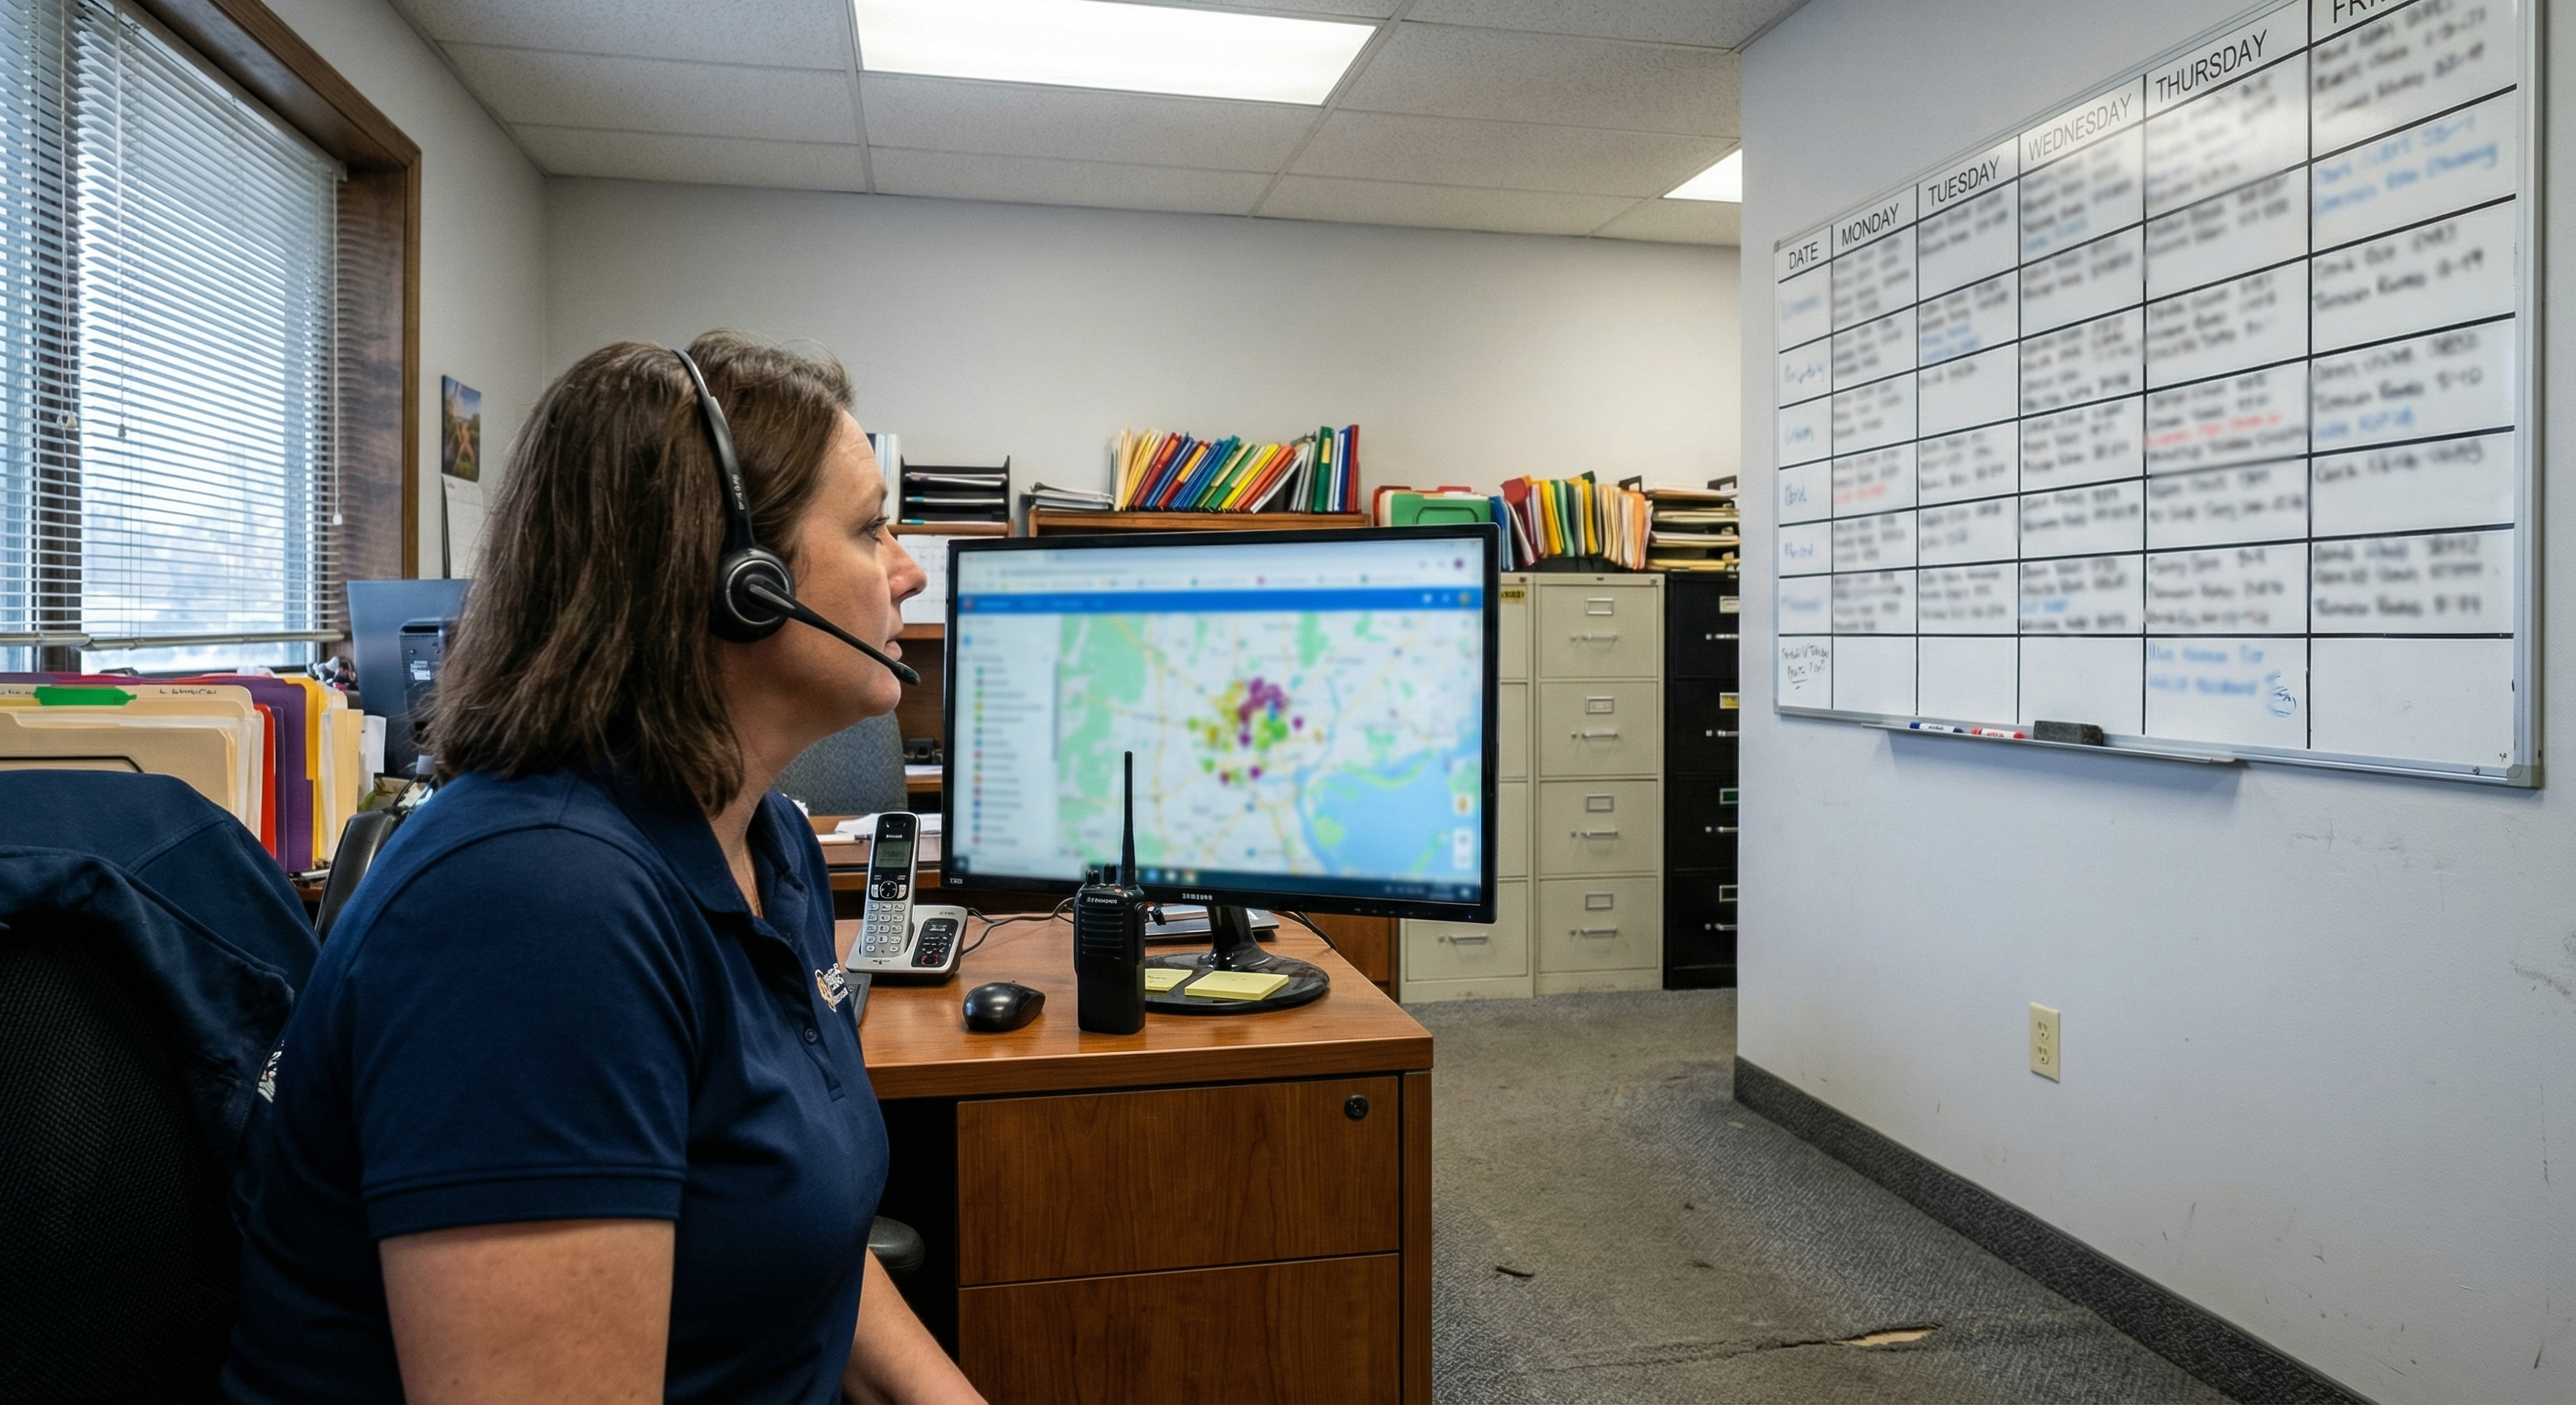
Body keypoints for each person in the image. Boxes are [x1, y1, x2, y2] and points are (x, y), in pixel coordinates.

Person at [223, 334, 985, 1405]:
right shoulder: (531, 910)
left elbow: (788, 1233)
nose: (907, 570)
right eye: (870, 529)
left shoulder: (767, 846)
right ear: (741, 583)